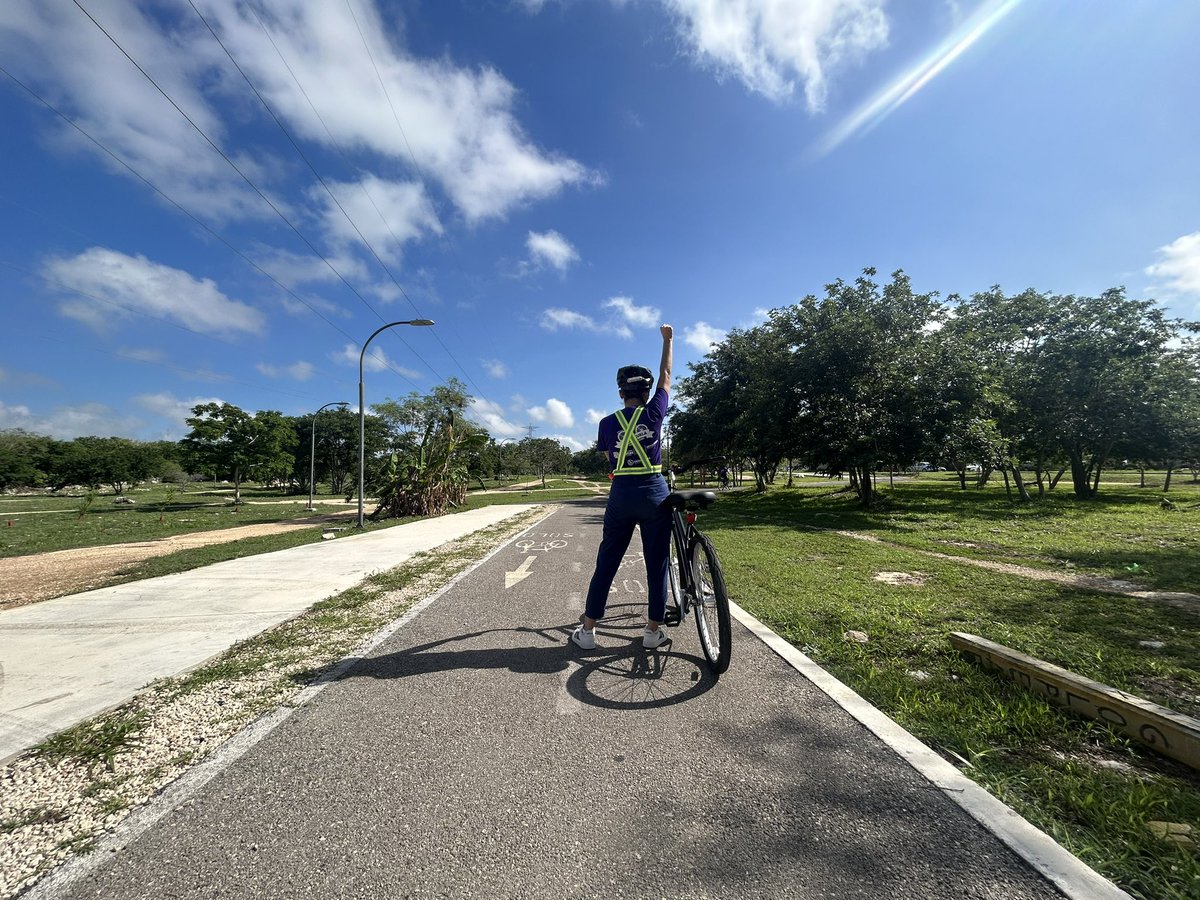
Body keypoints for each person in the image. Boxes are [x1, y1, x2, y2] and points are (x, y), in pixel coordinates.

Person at [572, 324, 673, 651]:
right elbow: (666, 373)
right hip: (655, 493)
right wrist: (668, 341)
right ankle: (652, 631)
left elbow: (610, 459)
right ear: (646, 393)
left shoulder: (605, 423)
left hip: (621, 494)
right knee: (656, 562)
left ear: (620, 395)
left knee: (608, 560)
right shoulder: (656, 411)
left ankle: (587, 631)